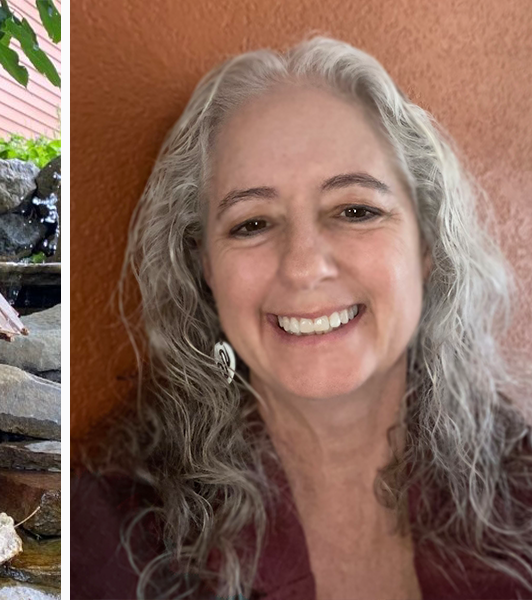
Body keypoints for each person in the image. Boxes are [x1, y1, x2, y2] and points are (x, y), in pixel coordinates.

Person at [71, 35, 532, 600]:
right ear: (205, 267)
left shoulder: (524, 483)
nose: (305, 266)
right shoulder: (107, 535)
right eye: (252, 223)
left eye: (356, 210)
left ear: (427, 242)